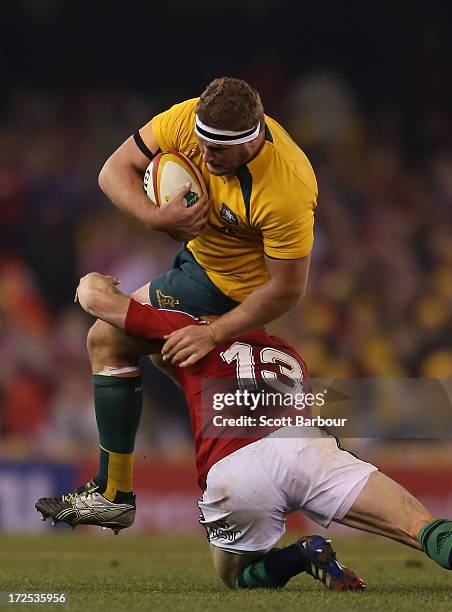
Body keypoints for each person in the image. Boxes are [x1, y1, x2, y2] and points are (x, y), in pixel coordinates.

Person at [37, 273, 452, 592]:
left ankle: (301, 555)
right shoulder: (288, 354)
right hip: (308, 449)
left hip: (236, 472)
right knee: (422, 527)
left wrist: (94, 282)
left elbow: (98, 303)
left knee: (235, 577)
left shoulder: (189, 331)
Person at [43, 77, 318, 520]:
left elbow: (288, 287)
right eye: (202, 142)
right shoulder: (188, 120)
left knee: (108, 338)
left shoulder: (287, 187)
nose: (204, 156)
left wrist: (215, 334)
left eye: (217, 151)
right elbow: (113, 170)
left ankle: (116, 496)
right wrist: (155, 217)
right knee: (147, 356)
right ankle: (121, 494)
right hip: (195, 269)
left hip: (239, 294)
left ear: (251, 141)